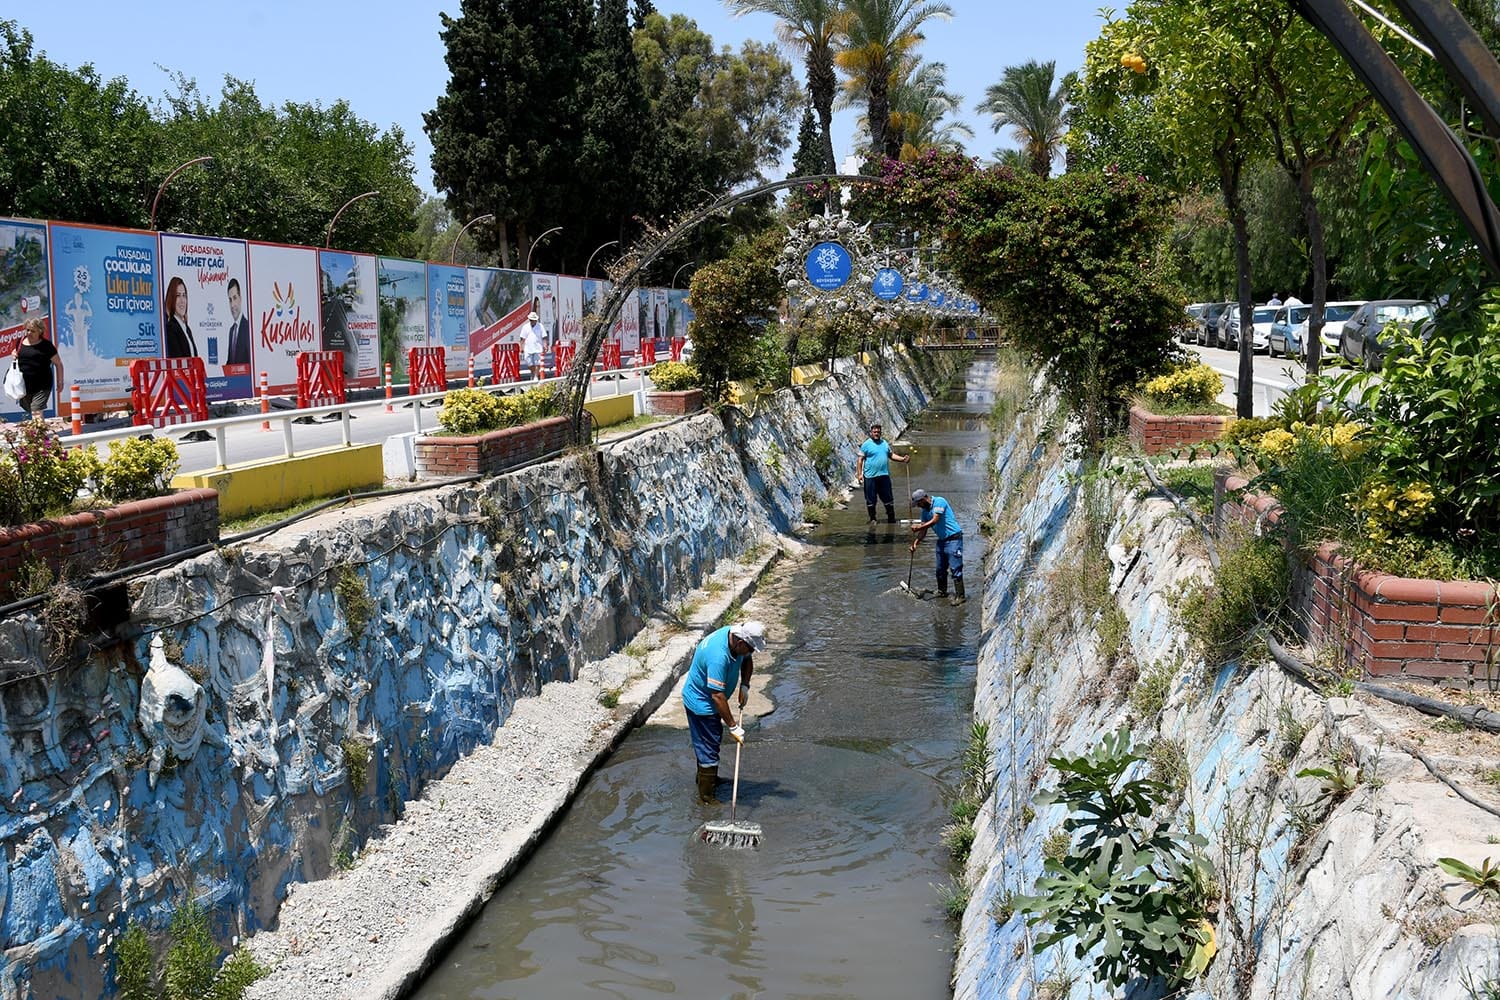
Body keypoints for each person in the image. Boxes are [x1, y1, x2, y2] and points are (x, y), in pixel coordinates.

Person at [681, 620, 766, 804]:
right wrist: (733, 727)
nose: (751, 653)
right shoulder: (718, 655)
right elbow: (717, 696)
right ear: (740, 642)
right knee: (708, 748)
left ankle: (708, 778)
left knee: (710, 743)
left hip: (712, 700)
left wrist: (745, 685)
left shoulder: (736, 638)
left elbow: (747, 660)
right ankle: (706, 799)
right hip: (702, 704)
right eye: (750, 648)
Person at [909, 488, 965, 603]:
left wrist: (919, 527)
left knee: (955, 568)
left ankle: (961, 596)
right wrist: (915, 543)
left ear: (924, 499)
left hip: (954, 539)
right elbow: (923, 531)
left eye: (919, 503)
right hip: (942, 541)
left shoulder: (939, 502)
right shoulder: (924, 512)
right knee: (940, 569)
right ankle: (942, 591)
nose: (918, 506)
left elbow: (935, 520)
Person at [855, 422, 909, 524]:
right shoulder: (866, 445)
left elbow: (891, 455)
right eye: (874, 431)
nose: (876, 433)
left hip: (884, 476)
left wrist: (903, 459)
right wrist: (859, 474)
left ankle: (891, 518)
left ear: (880, 433)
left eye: (878, 432)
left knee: (888, 498)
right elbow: (860, 460)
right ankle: (873, 519)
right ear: (871, 432)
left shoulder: (884, 443)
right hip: (870, 477)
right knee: (871, 499)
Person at [10, 318, 64, 420]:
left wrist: (60, 381)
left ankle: (38, 435)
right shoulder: (20, 342)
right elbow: (16, 354)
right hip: (24, 385)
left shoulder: (46, 346)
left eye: (32, 331)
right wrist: (13, 354)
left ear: (40, 331)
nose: (29, 333)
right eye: (27, 330)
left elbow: (58, 364)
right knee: (30, 409)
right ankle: (37, 433)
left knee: (36, 411)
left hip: (42, 385)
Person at [163, 276, 199, 358]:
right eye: (178, 296)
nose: (182, 300)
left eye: (184, 295)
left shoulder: (186, 328)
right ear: (171, 299)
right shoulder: (170, 328)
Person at [225, 278, 250, 366]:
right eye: (230, 300)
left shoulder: (248, 328)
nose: (232, 305)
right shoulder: (231, 330)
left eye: (235, 298)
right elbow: (230, 362)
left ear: (240, 298)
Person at [521, 310, 545, 381]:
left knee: (537, 363)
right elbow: (522, 338)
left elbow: (544, 337)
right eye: (531, 320)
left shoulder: (540, 326)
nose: (532, 321)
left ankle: (535, 376)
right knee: (529, 363)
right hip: (528, 348)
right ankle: (534, 373)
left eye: (534, 320)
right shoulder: (525, 327)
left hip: (538, 347)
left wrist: (545, 345)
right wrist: (521, 347)